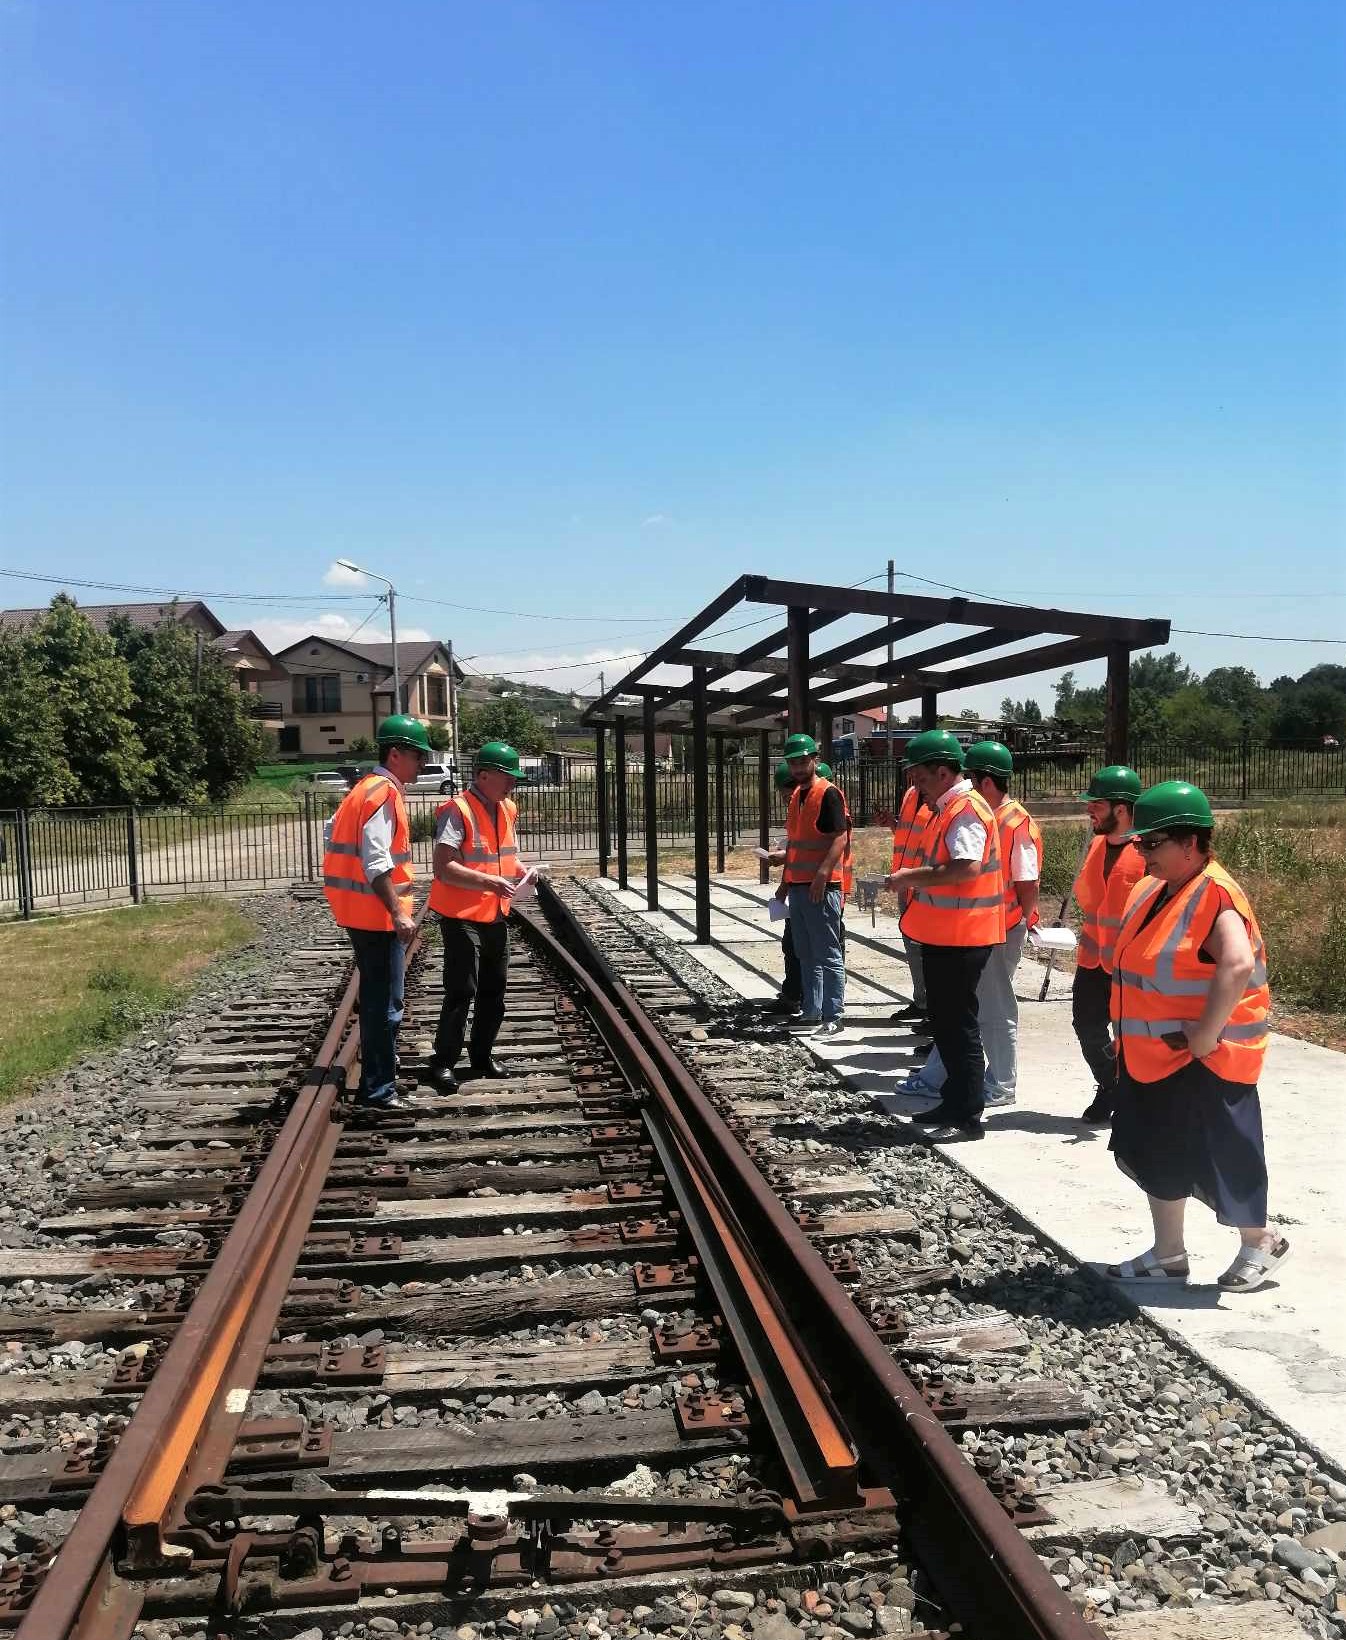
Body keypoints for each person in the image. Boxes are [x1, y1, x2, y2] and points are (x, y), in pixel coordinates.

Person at [1104, 781, 1288, 1293]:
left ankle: (1262, 1242)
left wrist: (1206, 1035)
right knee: (1155, 1152)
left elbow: (1236, 962)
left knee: (1225, 1153)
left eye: (1152, 843)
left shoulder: (1216, 893)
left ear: (1191, 843)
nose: (1142, 852)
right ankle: (1168, 1254)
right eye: (1139, 843)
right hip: (1151, 1057)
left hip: (1203, 1059)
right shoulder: (1154, 888)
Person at [903, 741, 1040, 1107]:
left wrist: (1029, 920)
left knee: (990, 1011)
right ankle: (940, 1080)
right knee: (960, 1014)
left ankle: (997, 1085)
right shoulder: (968, 810)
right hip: (969, 926)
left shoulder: (1006, 818)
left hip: (990, 926)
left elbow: (1025, 880)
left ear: (986, 782)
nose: (919, 789)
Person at [884, 729, 1005, 1142]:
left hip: (963, 936)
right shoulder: (948, 807)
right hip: (950, 934)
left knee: (959, 1025)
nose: (915, 784)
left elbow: (966, 867)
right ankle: (955, 1100)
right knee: (950, 1025)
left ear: (942, 771)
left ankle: (968, 1112)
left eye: (919, 775)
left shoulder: (965, 810)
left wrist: (910, 878)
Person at [322, 714, 428, 1111]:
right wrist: (398, 914)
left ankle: (380, 1074)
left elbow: (331, 833)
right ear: (396, 753)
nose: (421, 763)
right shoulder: (383, 793)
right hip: (377, 917)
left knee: (379, 999)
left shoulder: (362, 789)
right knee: (385, 1004)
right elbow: (376, 861)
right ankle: (378, 1090)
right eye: (417, 755)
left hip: (357, 913)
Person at [424, 741, 527, 1093]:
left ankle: (481, 1055)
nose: (512, 783)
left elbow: (504, 857)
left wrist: (524, 872)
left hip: (495, 913)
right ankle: (444, 1062)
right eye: (507, 776)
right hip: (460, 915)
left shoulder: (508, 808)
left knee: (494, 989)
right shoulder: (457, 810)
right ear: (483, 775)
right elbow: (443, 868)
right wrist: (490, 881)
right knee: (461, 990)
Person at [1072, 766, 1147, 1123]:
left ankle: (1133, 1097)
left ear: (1121, 809)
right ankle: (1111, 1084)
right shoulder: (1098, 843)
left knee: (1132, 1037)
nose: (1090, 811)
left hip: (1131, 966)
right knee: (1087, 1027)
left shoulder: (1149, 852)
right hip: (1092, 959)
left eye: (1097, 805)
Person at [775, 734, 848, 1038]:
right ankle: (812, 1010)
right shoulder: (797, 796)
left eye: (803, 761)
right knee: (805, 952)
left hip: (822, 886)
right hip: (799, 886)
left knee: (828, 952)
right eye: (793, 763)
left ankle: (833, 1014)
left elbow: (839, 838)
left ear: (814, 760)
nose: (799, 767)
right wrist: (785, 878)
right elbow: (797, 842)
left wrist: (822, 874)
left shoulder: (828, 793)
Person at [888, 772, 932, 1026]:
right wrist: (892, 824)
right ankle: (922, 1002)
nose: (913, 775)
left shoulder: (937, 801)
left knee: (926, 951)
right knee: (913, 949)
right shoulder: (911, 795)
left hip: (924, 886)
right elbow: (908, 835)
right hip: (907, 884)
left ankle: (931, 1009)